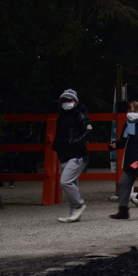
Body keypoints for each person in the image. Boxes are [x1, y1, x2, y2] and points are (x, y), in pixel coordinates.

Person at [52, 89, 92, 223]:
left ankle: (79, 205)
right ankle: (73, 213)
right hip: (64, 155)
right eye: (64, 100)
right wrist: (56, 145)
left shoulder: (80, 115)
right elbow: (58, 134)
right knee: (71, 184)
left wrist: (74, 142)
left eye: (69, 100)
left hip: (78, 155)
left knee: (65, 182)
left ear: (75, 102)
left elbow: (88, 131)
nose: (66, 103)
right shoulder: (61, 118)